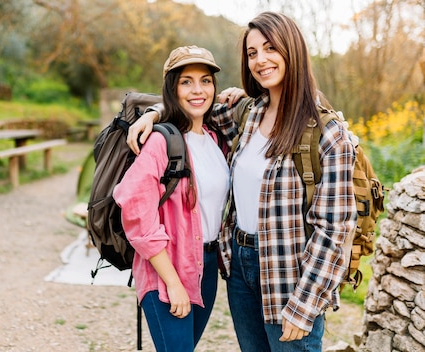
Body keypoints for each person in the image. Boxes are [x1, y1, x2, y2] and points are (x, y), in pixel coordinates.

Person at [126, 12, 357, 352]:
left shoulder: (327, 134)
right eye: (252, 53)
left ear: (292, 50)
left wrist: (305, 305)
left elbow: (335, 229)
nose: (260, 60)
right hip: (240, 269)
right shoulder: (248, 114)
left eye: (270, 48)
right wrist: (153, 113)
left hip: (289, 275)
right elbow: (191, 106)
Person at [112, 45, 230, 351]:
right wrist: (173, 282)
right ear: (172, 88)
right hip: (167, 269)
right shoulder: (160, 141)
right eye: (186, 81)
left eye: (205, 80)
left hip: (206, 267)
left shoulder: (217, 139)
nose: (198, 90)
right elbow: (135, 211)